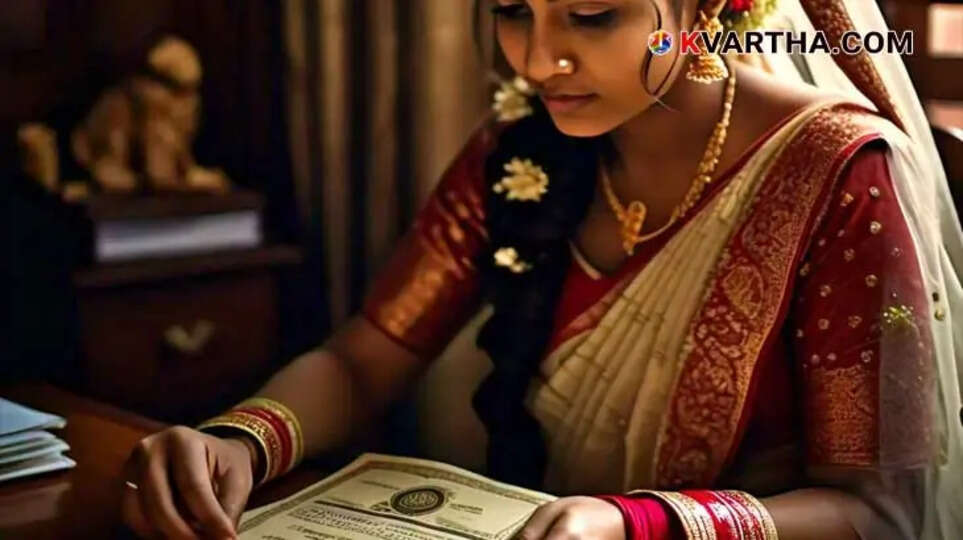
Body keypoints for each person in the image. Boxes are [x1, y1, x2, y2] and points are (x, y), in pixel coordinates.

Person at [120, 0, 963, 538]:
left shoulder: (840, 175)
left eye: (590, 15)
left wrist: (634, 528)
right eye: (512, 11)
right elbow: (363, 359)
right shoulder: (520, 149)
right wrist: (241, 438)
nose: (534, 60)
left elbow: (873, 515)